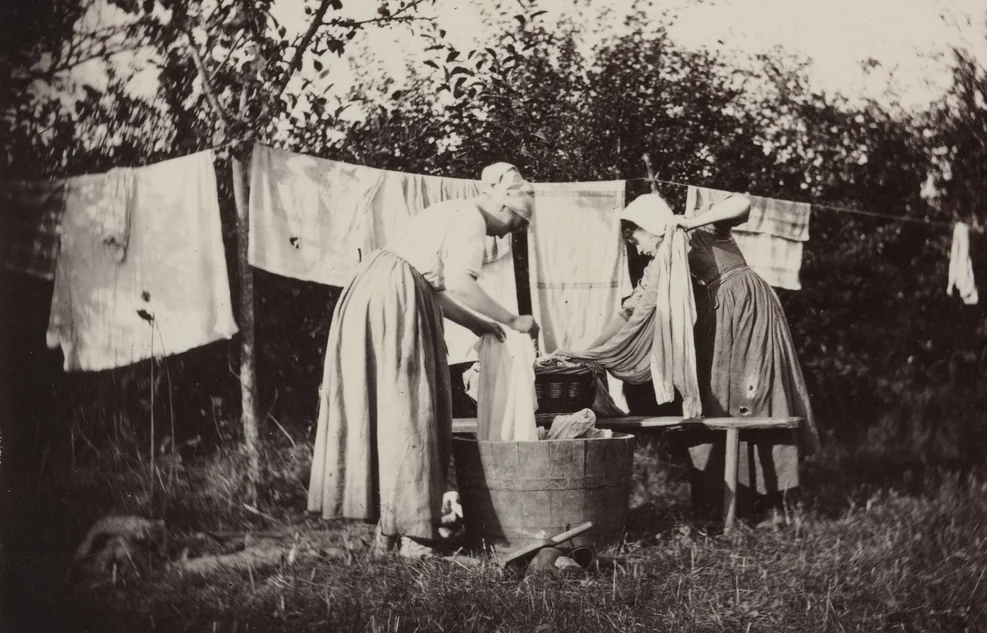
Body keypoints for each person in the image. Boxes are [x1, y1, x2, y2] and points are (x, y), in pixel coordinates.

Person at [307, 163, 540, 557]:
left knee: (388, 410)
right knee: (414, 409)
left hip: (374, 290)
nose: (507, 235)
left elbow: (435, 288)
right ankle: (414, 536)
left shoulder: (450, 211)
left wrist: (479, 324)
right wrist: (513, 319)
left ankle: (390, 529)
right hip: (397, 298)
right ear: (504, 207)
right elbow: (460, 283)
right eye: (515, 225)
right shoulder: (472, 219)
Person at [585, 191, 820, 522]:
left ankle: (774, 506)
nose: (637, 249)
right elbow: (631, 310)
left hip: (749, 309)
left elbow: (742, 204)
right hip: (718, 321)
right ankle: (732, 504)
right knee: (719, 403)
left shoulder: (699, 231)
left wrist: (691, 221)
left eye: (637, 239)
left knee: (757, 397)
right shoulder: (660, 264)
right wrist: (590, 351)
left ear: (650, 227)